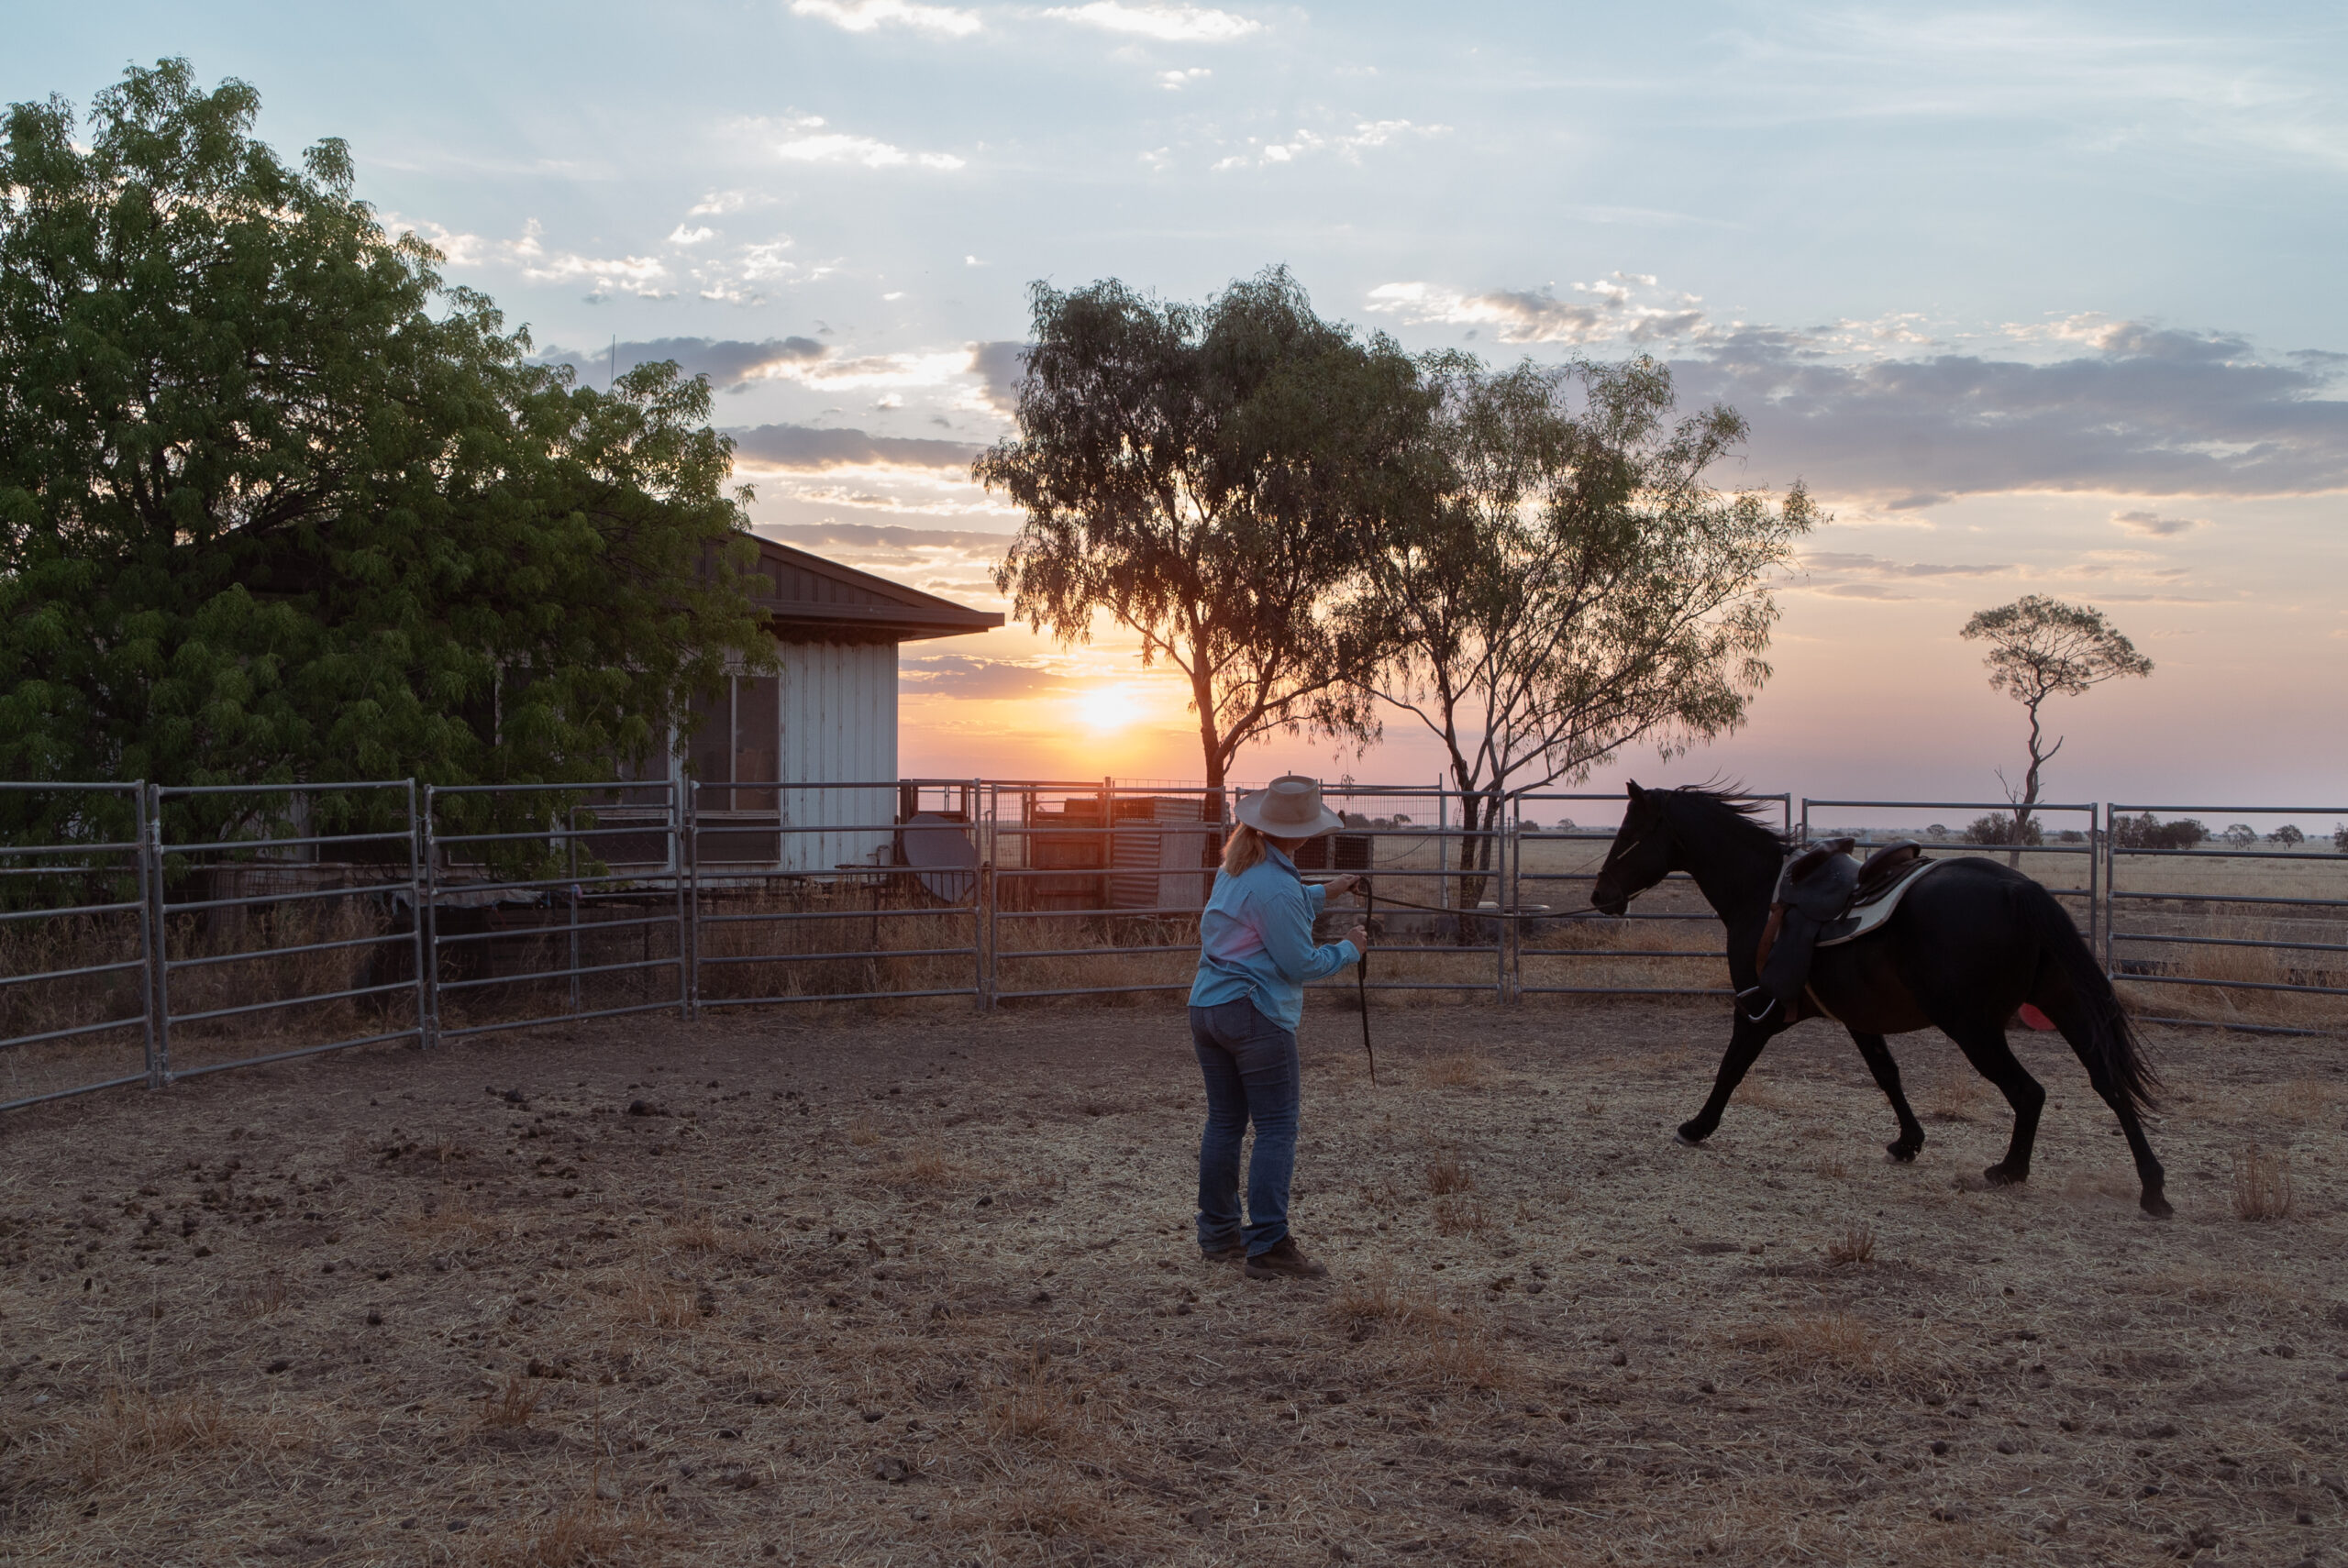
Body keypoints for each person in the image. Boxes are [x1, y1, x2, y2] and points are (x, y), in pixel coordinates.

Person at [1188, 775, 1367, 1281]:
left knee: (1225, 1123)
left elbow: (1273, 906)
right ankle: (1268, 1242)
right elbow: (1300, 963)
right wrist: (1349, 950)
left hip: (1208, 1008)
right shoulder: (1277, 887)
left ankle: (1220, 1234)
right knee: (1276, 1128)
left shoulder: (1238, 867)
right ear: (1305, 833)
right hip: (1255, 1014)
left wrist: (1326, 892)